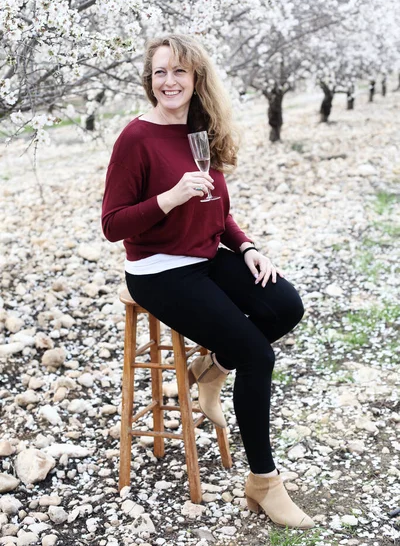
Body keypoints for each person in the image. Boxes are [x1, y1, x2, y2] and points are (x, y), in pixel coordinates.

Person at [101, 34, 314, 529]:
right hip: (158, 269)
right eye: (160, 72)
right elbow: (112, 225)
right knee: (259, 354)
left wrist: (247, 247)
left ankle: (214, 366)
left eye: (179, 71)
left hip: (205, 254)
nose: (169, 81)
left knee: (285, 305)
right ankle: (264, 481)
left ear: (196, 79)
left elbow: (221, 207)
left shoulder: (201, 128)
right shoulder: (136, 138)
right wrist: (170, 198)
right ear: (149, 80)